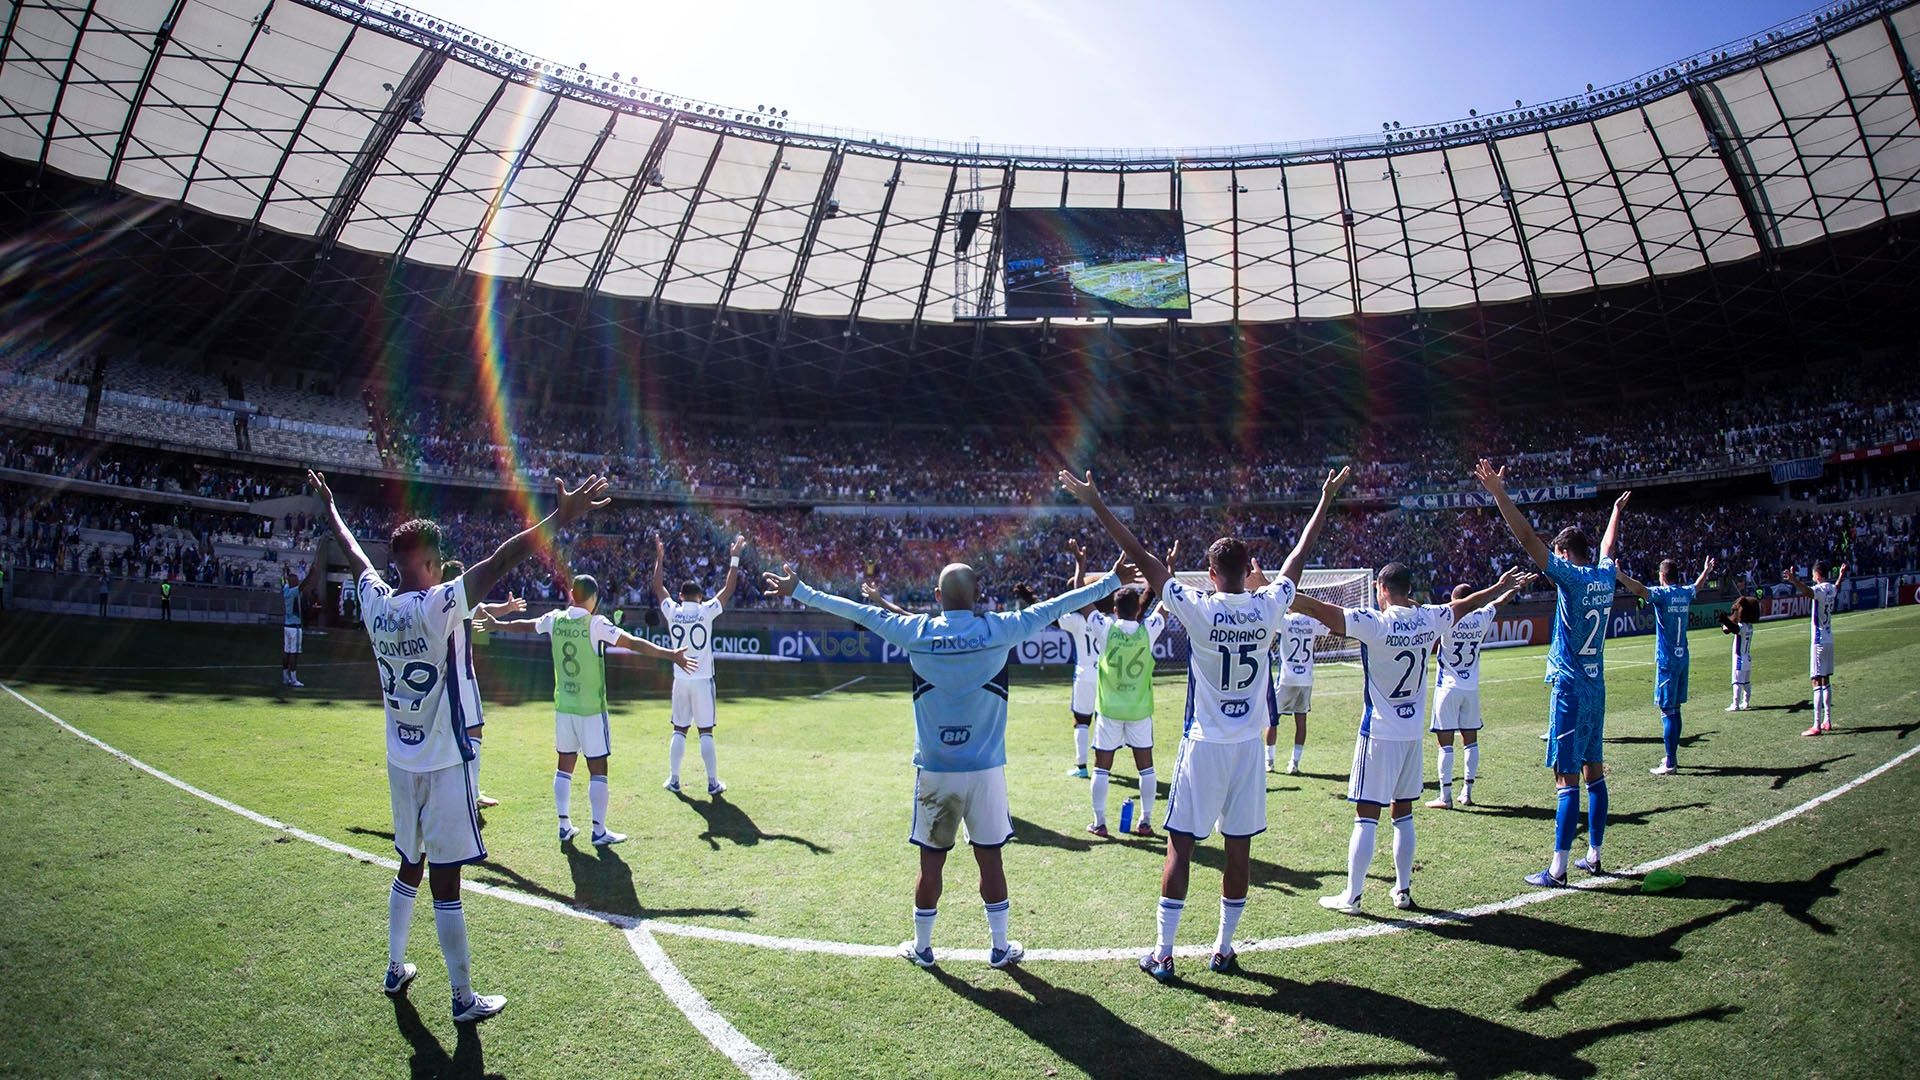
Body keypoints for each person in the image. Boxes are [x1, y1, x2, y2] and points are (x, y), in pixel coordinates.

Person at [309, 467, 613, 1024]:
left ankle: (396, 966)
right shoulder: (436, 605)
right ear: (427, 564)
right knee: (446, 881)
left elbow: (355, 556)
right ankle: (461, 997)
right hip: (445, 763)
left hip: (399, 762)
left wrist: (331, 510)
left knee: (408, 863)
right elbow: (499, 562)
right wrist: (557, 521)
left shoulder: (377, 604)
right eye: (436, 560)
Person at [763, 550, 1130, 970]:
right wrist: (1111, 582)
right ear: (978, 596)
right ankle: (999, 947)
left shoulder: (915, 631)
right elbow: (1056, 605)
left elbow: (858, 611)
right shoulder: (1002, 628)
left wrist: (802, 591)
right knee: (990, 858)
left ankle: (922, 948)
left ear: (937, 596)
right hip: (987, 771)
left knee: (931, 862)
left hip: (936, 771)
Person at [1062, 465, 1348, 981]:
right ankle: (1223, 948)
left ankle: (1165, 953)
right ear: (1245, 571)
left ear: (1211, 574)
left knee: (1181, 844)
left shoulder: (1198, 608)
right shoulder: (1269, 606)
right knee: (1239, 848)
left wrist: (1096, 501)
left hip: (1204, 744)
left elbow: (1144, 558)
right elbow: (1298, 559)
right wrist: (1324, 500)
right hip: (1247, 748)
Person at [1296, 564, 1527, 913]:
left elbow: (1317, 609)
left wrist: (1273, 592)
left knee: (1366, 814)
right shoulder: (1428, 619)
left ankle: (1353, 896)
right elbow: (1465, 606)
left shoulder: (1375, 622)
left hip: (1378, 732)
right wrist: (1497, 586)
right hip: (1410, 735)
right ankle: (1402, 892)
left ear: (1381, 587)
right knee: (1402, 812)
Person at [1477, 464, 1626, 886]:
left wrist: (1499, 493)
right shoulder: (1604, 575)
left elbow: (1527, 539)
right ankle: (1594, 856)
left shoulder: (1572, 578)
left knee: (1566, 777)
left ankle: (1558, 869)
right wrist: (1615, 512)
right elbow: (1609, 546)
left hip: (1570, 688)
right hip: (1596, 686)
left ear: (1564, 554)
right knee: (1594, 770)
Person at [483, 574, 691, 845]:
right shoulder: (596, 623)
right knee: (598, 768)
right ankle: (599, 830)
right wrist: (671, 654)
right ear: (593, 599)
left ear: (571, 593)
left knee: (564, 766)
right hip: (591, 710)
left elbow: (526, 626)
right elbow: (633, 643)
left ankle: (564, 825)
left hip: (564, 707)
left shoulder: (555, 618)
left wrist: (498, 625)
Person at [1426, 573, 1534, 808]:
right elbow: (1500, 602)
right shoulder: (1482, 617)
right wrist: (1515, 587)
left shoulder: (1447, 618)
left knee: (1445, 744)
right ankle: (1467, 791)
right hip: (1470, 689)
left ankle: (1445, 796)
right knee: (1470, 741)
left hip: (1447, 688)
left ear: (1456, 601)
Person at [653, 533, 747, 795]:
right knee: (705, 732)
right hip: (703, 680)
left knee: (679, 730)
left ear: (681, 595)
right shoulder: (706, 611)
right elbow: (728, 590)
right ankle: (712, 783)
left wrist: (659, 558)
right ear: (701, 596)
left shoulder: (673, 611)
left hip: (680, 679)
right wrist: (735, 557)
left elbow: (658, 587)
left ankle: (673, 779)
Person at [438, 559, 527, 811]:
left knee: (445, 735)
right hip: (462, 676)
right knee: (474, 731)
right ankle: (472, 793)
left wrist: (506, 608)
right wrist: (507, 609)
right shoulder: (462, 599)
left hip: (439, 679)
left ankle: (448, 791)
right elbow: (485, 611)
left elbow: (483, 609)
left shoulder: (434, 601)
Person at [1619, 557, 1714, 775]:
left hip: (1667, 660)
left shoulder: (1663, 595)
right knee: (1676, 709)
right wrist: (1705, 571)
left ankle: (1670, 762)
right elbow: (1697, 587)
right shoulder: (1684, 592)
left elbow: (1640, 590)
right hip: (1683, 657)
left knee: (1667, 710)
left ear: (1662, 576)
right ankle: (1671, 756)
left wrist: (1620, 576)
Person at [1088, 582, 1169, 839]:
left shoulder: (1106, 630)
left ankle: (1099, 823)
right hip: (1139, 711)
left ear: (1114, 609)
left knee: (1102, 769)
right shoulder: (1148, 631)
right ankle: (1145, 822)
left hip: (1110, 711)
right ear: (1138, 611)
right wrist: (1170, 570)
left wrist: (1080, 567)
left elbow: (1083, 603)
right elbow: (1167, 603)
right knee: (1146, 769)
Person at [1054, 539, 1110, 779]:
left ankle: (1081, 766)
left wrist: (1079, 566)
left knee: (1081, 720)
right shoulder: (1109, 622)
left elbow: (1063, 611)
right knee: (1103, 720)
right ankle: (1102, 766)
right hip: (1107, 675)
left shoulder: (1078, 621)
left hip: (1084, 674)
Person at [1783, 560, 1846, 736]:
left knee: (1816, 681)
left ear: (1817, 574)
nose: (1812, 576)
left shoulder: (1818, 590)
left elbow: (1808, 592)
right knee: (1826, 680)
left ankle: (1816, 725)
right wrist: (1841, 574)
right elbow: (1837, 586)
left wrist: (1794, 580)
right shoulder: (1831, 588)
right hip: (1829, 639)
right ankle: (1827, 720)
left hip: (1818, 641)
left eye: (1812, 574)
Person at [1269, 610, 1327, 775]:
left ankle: (1269, 761)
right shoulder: (1312, 620)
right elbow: (1328, 629)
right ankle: (1294, 763)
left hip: (1286, 678)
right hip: (1306, 679)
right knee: (1301, 722)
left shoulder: (1285, 620)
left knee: (1272, 719)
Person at [1720, 592, 1760, 711]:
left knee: (1737, 682)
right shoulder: (1750, 626)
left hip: (1739, 658)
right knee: (1747, 682)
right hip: (1747, 657)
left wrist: (1725, 620)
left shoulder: (1741, 627)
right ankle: (1746, 702)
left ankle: (1735, 704)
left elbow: (1734, 628)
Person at [280, 566, 304, 687]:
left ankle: (285, 677)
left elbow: (284, 580)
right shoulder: (294, 591)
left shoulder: (286, 590)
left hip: (287, 625)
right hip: (295, 626)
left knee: (286, 651)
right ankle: (294, 679)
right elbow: (304, 585)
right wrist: (312, 573)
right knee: (294, 653)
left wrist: (285, 572)